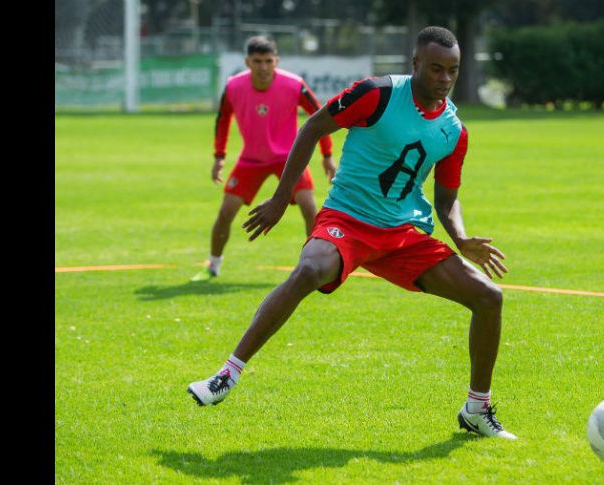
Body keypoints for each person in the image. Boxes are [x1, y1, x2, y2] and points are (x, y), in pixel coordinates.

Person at [188, 26, 516, 440]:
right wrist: (279, 198)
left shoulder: (455, 131)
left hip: (401, 235)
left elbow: (446, 199)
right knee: (309, 270)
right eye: (435, 69)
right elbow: (311, 128)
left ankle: (477, 409)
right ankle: (226, 375)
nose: (445, 79)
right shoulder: (375, 93)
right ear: (415, 64)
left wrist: (462, 239)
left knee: (489, 297)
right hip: (347, 220)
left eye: (452, 70)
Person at [191, 36, 336, 282]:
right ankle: (213, 266)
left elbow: (320, 116)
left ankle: (315, 267)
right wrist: (219, 156)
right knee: (226, 212)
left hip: (289, 159)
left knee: (309, 207)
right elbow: (222, 120)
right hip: (251, 159)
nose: (263, 67)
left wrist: (327, 155)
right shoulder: (233, 87)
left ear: (276, 61)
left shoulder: (294, 84)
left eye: (269, 61)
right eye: (257, 61)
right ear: (248, 62)